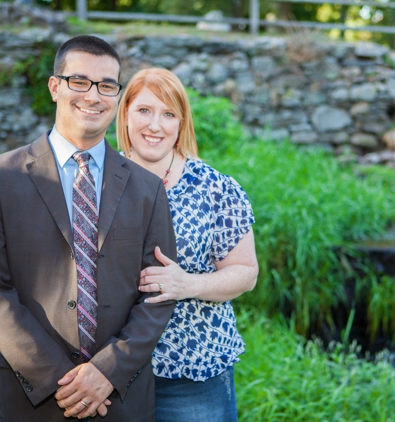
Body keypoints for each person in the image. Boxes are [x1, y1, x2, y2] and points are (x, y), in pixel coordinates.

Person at [0, 36, 177, 421]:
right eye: (79, 81)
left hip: (119, 399)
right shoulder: (1, 178)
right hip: (27, 395)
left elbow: (159, 293)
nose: (93, 96)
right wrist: (62, 379)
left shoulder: (147, 188)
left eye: (107, 85)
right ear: (55, 86)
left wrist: (106, 371)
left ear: (117, 94)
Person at [117, 67, 258, 421]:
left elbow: (246, 273)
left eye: (168, 114)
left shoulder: (216, 188)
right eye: (144, 110)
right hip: (113, 368)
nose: (155, 125)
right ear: (126, 113)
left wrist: (188, 284)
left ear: (181, 123)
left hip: (192, 373)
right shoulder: (99, 182)